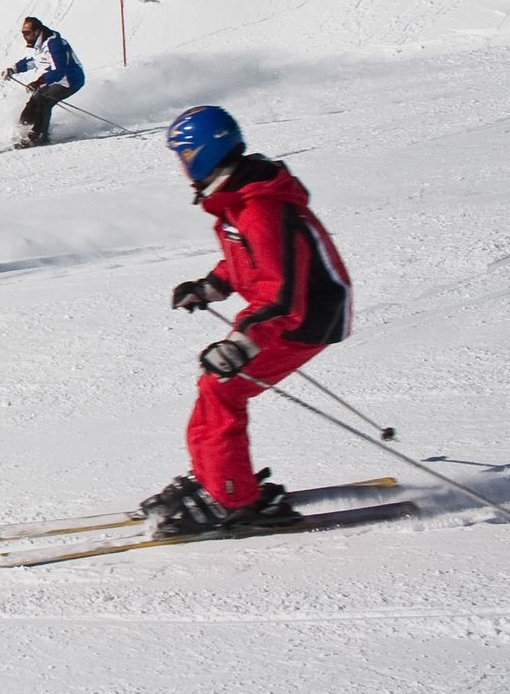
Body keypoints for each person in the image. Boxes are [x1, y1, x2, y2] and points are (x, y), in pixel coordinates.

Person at [140, 105, 354, 535]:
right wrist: (209, 287)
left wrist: (240, 345)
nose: (182, 167)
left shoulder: (259, 207)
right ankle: (216, 480)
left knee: (222, 389)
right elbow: (247, 261)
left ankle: (232, 499)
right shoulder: (241, 198)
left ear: (203, 153)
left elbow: (279, 293)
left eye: (184, 156)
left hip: (304, 318)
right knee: (215, 386)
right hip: (284, 314)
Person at [0, 16, 84, 147]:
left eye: (27, 33)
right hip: (54, 79)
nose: (24, 36)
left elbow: (59, 70)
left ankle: (38, 136)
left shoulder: (54, 44)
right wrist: (13, 69)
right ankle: (21, 132)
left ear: (37, 31)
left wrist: (39, 82)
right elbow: (32, 61)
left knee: (43, 102)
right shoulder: (39, 44)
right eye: (23, 33)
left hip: (70, 80)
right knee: (33, 101)